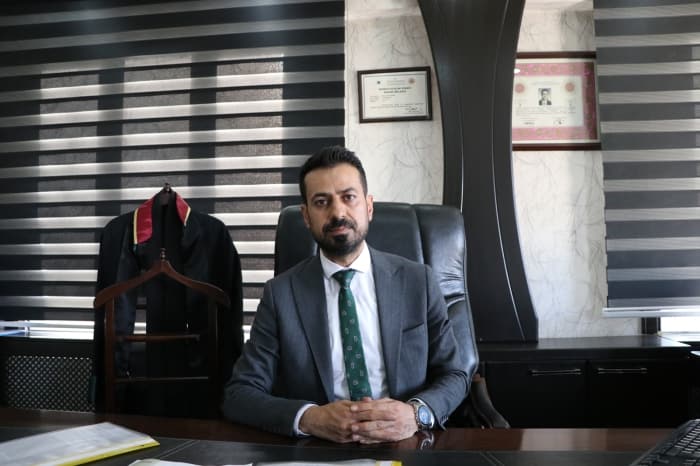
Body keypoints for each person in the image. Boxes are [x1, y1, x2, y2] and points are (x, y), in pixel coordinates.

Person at [222, 146, 468, 443]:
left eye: (348, 197)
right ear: (306, 216)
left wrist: (415, 415)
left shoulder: (418, 281)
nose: (338, 213)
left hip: (405, 444)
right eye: (321, 202)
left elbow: (455, 375)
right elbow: (239, 394)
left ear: (369, 207)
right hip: (319, 449)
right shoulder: (281, 294)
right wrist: (310, 418)